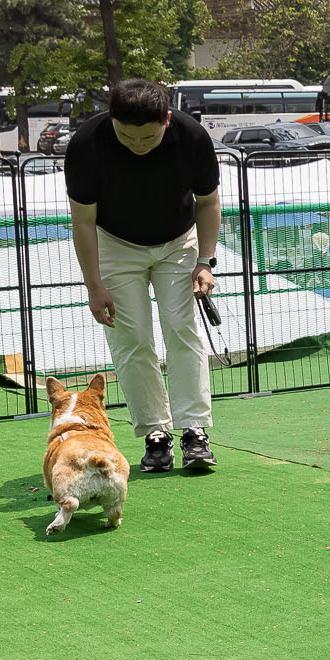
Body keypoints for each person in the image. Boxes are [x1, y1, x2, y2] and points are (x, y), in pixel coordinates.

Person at [65, 78, 222, 475]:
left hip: (178, 241)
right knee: (130, 337)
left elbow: (208, 201)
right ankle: (156, 434)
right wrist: (93, 285)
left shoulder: (192, 138)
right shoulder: (87, 144)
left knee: (180, 325)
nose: (137, 145)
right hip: (115, 244)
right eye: (126, 136)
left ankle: (194, 431)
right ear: (112, 121)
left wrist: (205, 260)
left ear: (166, 120)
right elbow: (83, 222)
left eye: (148, 138)